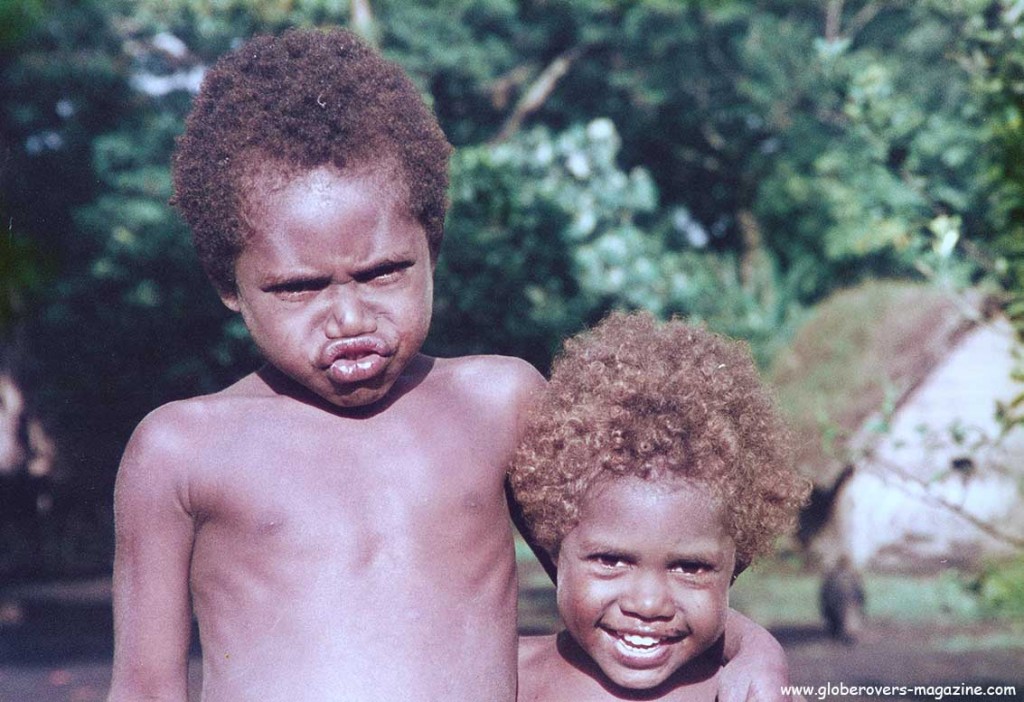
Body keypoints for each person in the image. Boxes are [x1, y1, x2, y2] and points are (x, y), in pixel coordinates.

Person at [107, 27, 793, 702]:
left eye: (382, 273)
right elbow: (143, 687)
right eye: (299, 288)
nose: (349, 319)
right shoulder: (179, 452)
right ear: (228, 285)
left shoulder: (497, 403)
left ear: (431, 245)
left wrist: (752, 646)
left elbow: (622, 582)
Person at [511, 311, 811, 701]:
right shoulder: (504, 678)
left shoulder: (746, 693)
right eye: (610, 560)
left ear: (736, 567)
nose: (649, 604)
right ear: (553, 549)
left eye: (690, 567)